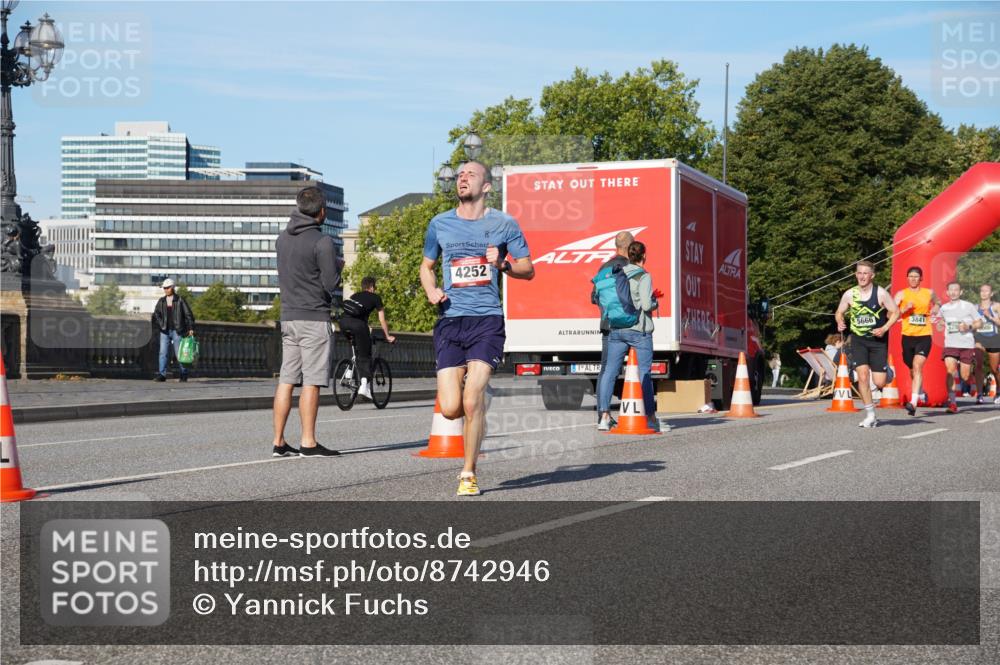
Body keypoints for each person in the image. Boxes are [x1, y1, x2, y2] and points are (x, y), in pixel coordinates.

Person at [420, 160, 534, 496]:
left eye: (470, 174)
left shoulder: (504, 224)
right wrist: (431, 290)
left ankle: (468, 473)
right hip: (450, 321)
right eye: (460, 175)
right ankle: (480, 398)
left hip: (487, 321)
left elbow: (528, 269)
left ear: (486, 186)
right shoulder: (439, 224)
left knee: (471, 402)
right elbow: (426, 266)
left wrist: (502, 264)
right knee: (451, 408)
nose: (462, 178)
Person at [272, 186, 343, 458]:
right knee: (312, 381)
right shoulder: (322, 242)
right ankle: (308, 442)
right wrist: (338, 266)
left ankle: (279, 442)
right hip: (314, 317)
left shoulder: (282, 239)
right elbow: (330, 283)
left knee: (287, 379)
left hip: (288, 317)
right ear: (322, 211)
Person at [596, 241, 660, 432]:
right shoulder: (643, 276)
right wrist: (655, 302)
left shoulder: (618, 273)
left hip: (616, 330)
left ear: (628, 255)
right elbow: (646, 305)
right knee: (644, 372)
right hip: (639, 331)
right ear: (644, 256)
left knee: (609, 372)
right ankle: (650, 418)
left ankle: (604, 416)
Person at [835, 260, 900, 428]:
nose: (862, 276)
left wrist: (884, 328)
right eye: (859, 273)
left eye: (865, 273)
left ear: (872, 275)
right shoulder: (850, 294)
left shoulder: (880, 293)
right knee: (862, 376)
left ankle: (887, 371)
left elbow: (895, 312)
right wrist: (840, 321)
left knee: (879, 383)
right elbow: (839, 311)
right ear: (856, 275)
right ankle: (870, 415)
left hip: (877, 342)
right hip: (858, 341)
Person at [591, 230, 635, 426]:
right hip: (630, 325)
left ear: (616, 246)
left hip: (608, 324)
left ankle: (603, 414)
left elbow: (594, 297)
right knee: (640, 367)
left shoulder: (604, 268)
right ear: (630, 246)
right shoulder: (630, 267)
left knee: (606, 370)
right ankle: (647, 415)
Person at [893, 266, 941, 416]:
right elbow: (890, 314)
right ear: (907, 278)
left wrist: (936, 307)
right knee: (912, 369)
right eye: (911, 276)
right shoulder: (901, 294)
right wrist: (903, 310)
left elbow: (938, 301)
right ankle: (920, 390)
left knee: (917, 365)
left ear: (921, 278)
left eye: (916, 276)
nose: (913, 279)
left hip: (924, 335)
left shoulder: (929, 293)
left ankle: (913, 403)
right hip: (907, 336)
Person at [340, 276, 397, 400]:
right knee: (366, 356)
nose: (375, 289)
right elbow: (382, 320)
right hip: (359, 326)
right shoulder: (376, 298)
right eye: (375, 287)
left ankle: (350, 372)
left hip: (343, 323)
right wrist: (387, 336)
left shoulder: (355, 296)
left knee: (356, 349)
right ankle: (363, 387)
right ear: (371, 287)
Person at [938, 281, 984, 413]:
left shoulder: (968, 306)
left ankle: (970, 367)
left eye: (956, 290)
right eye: (951, 290)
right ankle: (953, 403)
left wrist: (968, 326)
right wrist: (940, 325)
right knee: (950, 370)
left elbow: (980, 323)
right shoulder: (944, 308)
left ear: (961, 292)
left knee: (964, 376)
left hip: (966, 345)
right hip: (950, 344)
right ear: (947, 292)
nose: (953, 292)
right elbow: (940, 322)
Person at [151, 278, 195, 382]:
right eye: (164, 288)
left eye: (167, 288)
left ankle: (183, 374)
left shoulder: (180, 300)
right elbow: (156, 314)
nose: (166, 290)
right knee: (163, 353)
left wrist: (191, 328)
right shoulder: (161, 301)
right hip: (165, 331)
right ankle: (162, 375)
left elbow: (188, 314)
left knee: (180, 354)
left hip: (177, 331)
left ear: (173, 287)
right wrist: (161, 325)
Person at [973, 283, 1000, 406]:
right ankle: (979, 394)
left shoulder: (996, 306)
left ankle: (998, 391)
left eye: (986, 291)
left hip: (993, 338)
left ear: (991, 293)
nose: (984, 293)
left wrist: (990, 316)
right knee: (978, 366)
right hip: (979, 339)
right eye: (982, 291)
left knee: (994, 369)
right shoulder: (975, 307)